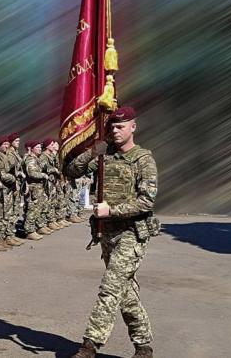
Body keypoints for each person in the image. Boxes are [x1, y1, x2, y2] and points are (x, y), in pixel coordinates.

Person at [66, 107, 159, 358]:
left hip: (132, 232)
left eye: (121, 126)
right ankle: (143, 346)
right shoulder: (104, 158)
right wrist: (92, 151)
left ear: (133, 127)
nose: (115, 131)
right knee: (124, 290)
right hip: (107, 234)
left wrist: (112, 210)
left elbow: (146, 201)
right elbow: (70, 172)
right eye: (112, 127)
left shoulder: (143, 160)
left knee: (110, 286)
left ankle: (89, 345)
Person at [22, 140, 49, 240]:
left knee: (37, 208)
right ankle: (29, 230)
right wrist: (43, 175)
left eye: (40, 147)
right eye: (37, 147)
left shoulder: (36, 159)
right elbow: (31, 173)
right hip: (33, 187)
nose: (39, 149)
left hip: (38, 187)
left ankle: (34, 228)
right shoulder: (30, 160)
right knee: (32, 208)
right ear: (31, 149)